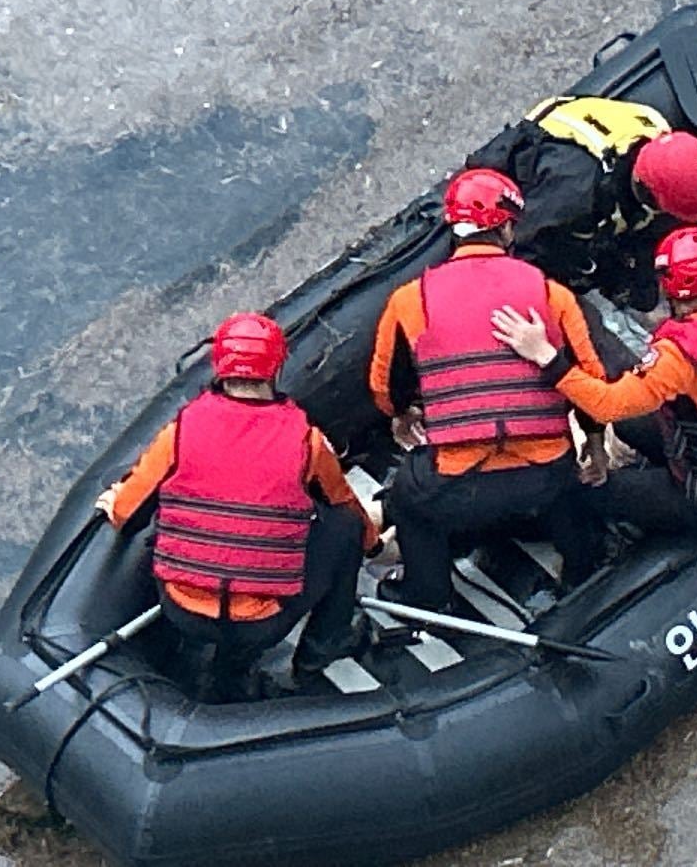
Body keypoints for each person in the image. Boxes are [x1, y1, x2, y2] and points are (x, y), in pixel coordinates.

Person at [96, 313, 381, 701]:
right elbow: (343, 503)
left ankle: (193, 655)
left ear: (219, 366)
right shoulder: (306, 442)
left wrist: (114, 504)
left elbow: (129, 512)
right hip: (261, 622)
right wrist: (374, 545)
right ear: (277, 368)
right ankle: (320, 651)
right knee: (345, 527)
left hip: (182, 610)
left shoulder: (181, 431)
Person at [368, 168, 609, 611]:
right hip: (544, 478)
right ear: (505, 227)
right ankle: (583, 568)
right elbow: (589, 381)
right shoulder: (551, 293)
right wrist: (594, 446)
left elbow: (383, 387)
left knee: (407, 494)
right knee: (571, 487)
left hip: (458, 487)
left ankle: (426, 595)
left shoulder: (408, 300)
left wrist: (403, 414)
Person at [492, 226, 697, 535]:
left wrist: (546, 357)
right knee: (631, 424)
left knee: (581, 492)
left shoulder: (678, 358)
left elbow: (606, 406)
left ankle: (595, 553)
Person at [466, 95, 697, 311]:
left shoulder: (655, 130)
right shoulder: (575, 194)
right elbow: (519, 247)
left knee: (644, 295)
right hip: (539, 188)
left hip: (594, 185)